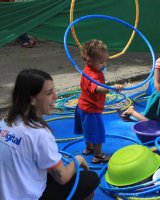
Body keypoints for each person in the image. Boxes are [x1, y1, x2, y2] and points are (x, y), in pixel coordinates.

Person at [0, 69, 99, 199]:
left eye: (54, 90)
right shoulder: (39, 134)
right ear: (32, 100)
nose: (55, 96)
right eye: (48, 93)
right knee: (91, 179)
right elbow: (62, 178)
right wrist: (78, 160)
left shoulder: (4, 122)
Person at [74, 39, 124, 164]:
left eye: (105, 61)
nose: (104, 65)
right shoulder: (93, 75)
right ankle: (98, 155)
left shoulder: (89, 69)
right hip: (91, 109)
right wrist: (111, 88)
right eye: (101, 62)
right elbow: (97, 88)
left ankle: (88, 148)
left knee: (88, 129)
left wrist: (101, 64)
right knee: (97, 132)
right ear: (89, 60)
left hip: (82, 106)